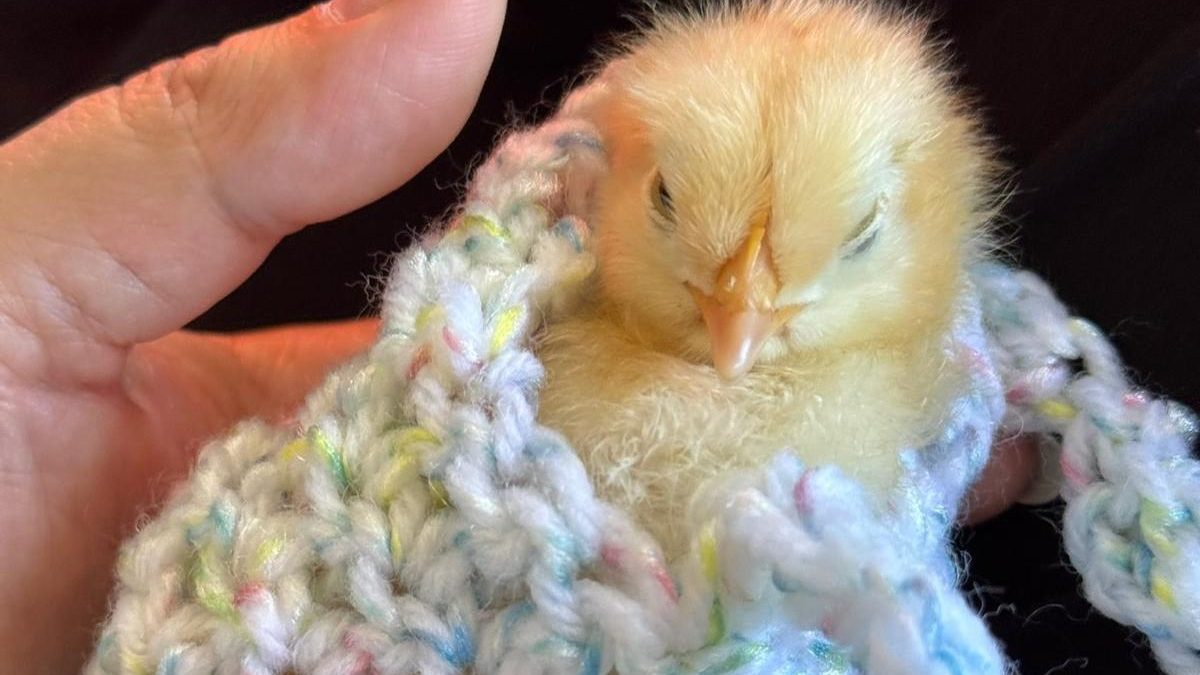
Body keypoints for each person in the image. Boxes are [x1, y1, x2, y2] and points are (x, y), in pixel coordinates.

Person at [0, 0, 1038, 670]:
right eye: (669, 200)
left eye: (856, 236)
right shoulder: (505, 356)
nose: (740, 320)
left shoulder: (922, 397)